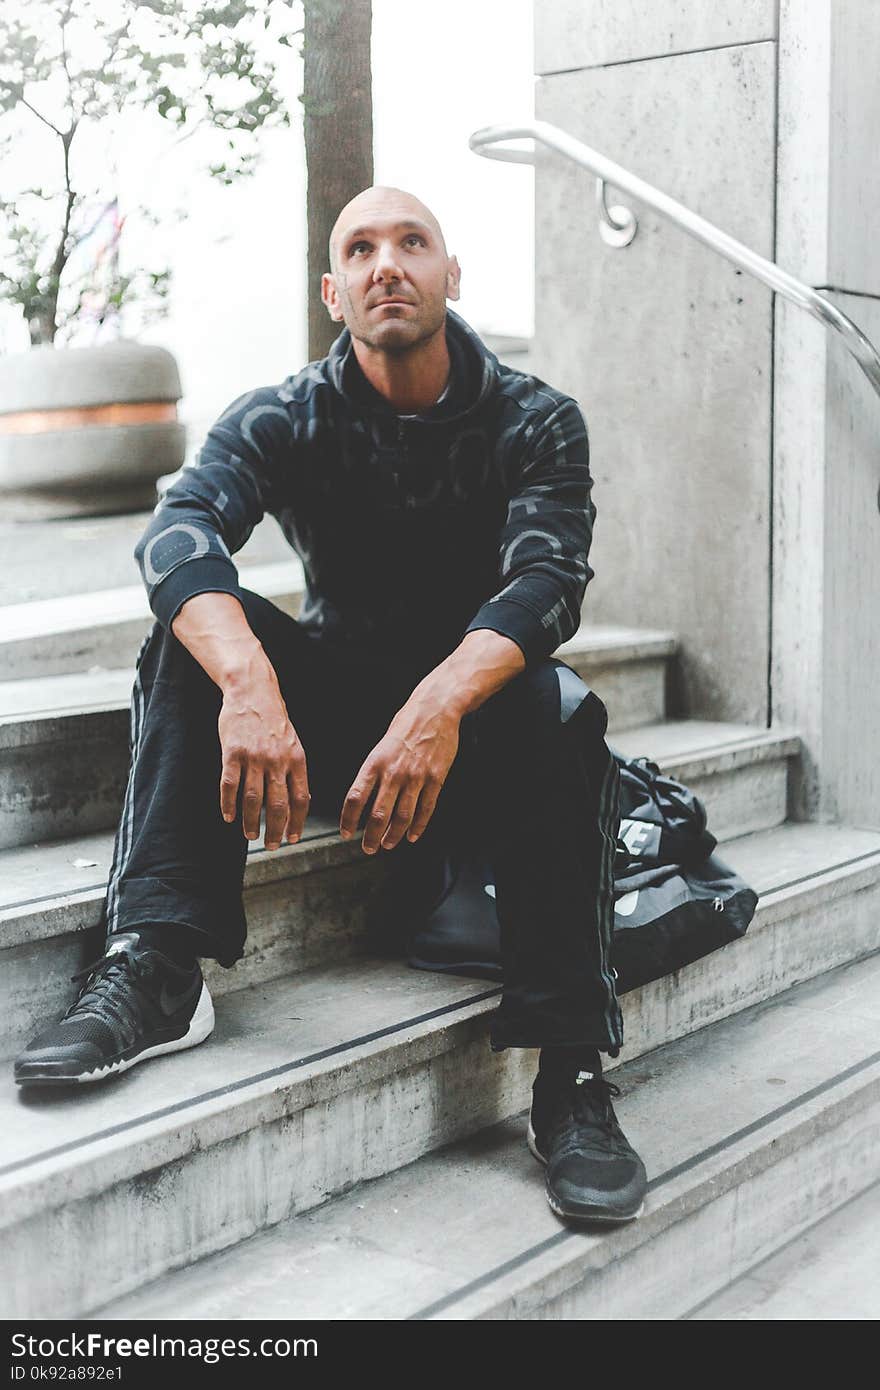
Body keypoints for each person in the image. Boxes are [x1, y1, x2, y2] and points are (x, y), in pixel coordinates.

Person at [14, 186, 647, 1226]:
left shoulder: (536, 418)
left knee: (550, 698)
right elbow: (178, 529)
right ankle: (158, 965)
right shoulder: (288, 412)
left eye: (412, 243)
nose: (385, 263)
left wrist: (441, 701)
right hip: (338, 718)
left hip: (471, 732)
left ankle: (568, 1067)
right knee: (197, 638)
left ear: (451, 276)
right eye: (360, 248)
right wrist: (251, 685)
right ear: (333, 290)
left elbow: (547, 582)